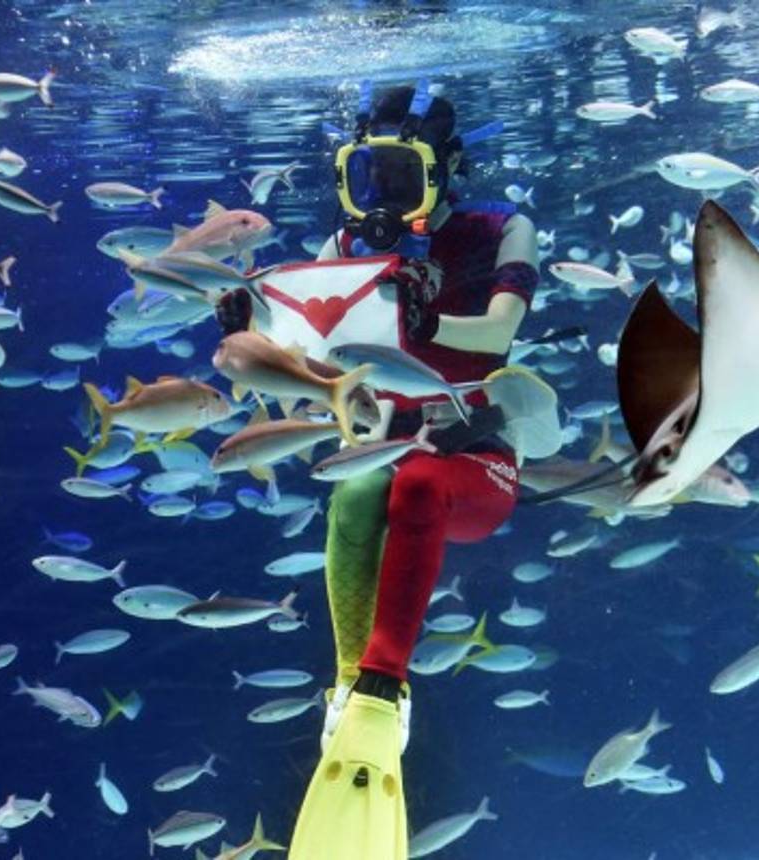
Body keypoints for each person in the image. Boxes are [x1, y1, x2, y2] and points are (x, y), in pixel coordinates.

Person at [216, 80, 540, 860]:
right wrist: (252, 327)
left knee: (419, 483)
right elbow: (306, 350)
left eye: (401, 174)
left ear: (443, 169)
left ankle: (384, 687)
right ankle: (348, 688)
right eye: (368, 176)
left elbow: (498, 337)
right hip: (383, 446)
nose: (381, 197)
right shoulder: (343, 251)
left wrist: (429, 318)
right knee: (358, 487)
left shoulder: (504, 227)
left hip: (476, 460)